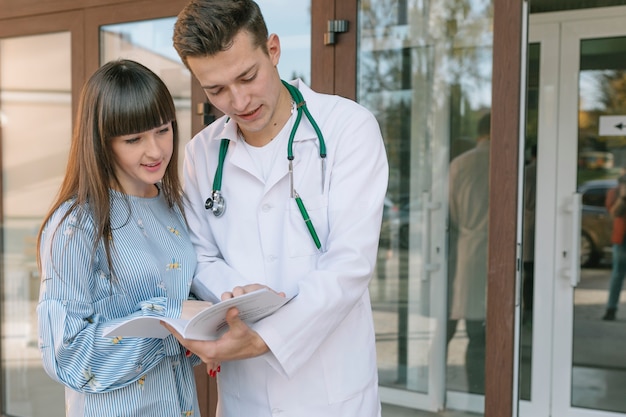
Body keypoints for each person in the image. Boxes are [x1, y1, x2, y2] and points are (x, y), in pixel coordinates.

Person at [166, 1, 389, 415]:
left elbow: (349, 264)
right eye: (215, 90)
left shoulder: (348, 129)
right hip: (244, 395)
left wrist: (268, 335)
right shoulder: (201, 152)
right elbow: (200, 256)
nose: (238, 100)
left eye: (247, 76)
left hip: (331, 392)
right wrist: (237, 297)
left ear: (273, 49)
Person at [36, 59, 204, 416]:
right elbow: (67, 356)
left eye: (163, 130)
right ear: (102, 142)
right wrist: (168, 320)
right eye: (134, 139)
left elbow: (184, 317)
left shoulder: (175, 206)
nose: (156, 150)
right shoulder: (75, 224)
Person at [446, 112, 490, 394]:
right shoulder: (510, 162)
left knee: (454, 322)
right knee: (482, 331)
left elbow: (451, 211)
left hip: (466, 250)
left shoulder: (460, 164)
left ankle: (436, 387)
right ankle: (479, 394)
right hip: (499, 253)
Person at [602, 173, 626, 321]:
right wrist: (623, 197)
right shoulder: (614, 193)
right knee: (617, 275)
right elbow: (614, 213)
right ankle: (611, 309)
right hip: (621, 239)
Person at [522, 145, 537, 325]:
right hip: (539, 227)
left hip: (528, 227)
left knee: (529, 274)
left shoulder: (526, 173)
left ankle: (528, 311)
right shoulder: (549, 171)